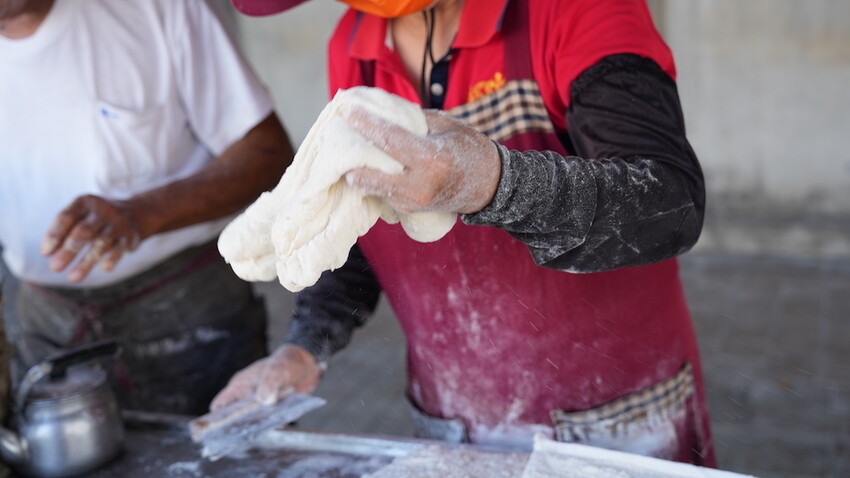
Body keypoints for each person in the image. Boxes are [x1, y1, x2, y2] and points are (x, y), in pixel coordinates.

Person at [215, 0, 716, 466]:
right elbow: (358, 225)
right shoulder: (354, 51)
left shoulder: (573, 10)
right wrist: (304, 347)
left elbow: (669, 202)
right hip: (451, 423)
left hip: (617, 422)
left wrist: (493, 183)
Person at [0, 0, 294, 415]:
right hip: (48, 334)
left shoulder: (159, 9)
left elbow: (268, 155)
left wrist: (142, 214)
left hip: (192, 316)